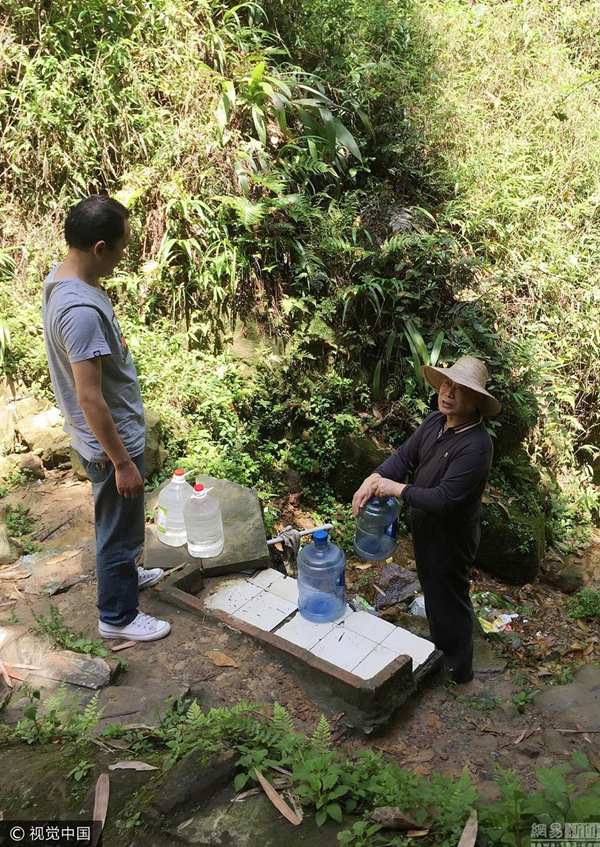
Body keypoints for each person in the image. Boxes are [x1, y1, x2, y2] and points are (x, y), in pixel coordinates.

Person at [42, 195, 171, 642]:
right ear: (99, 248)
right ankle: (117, 617)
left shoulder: (65, 281)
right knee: (116, 528)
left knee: (125, 518)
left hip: (107, 435)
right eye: (121, 247)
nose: (124, 255)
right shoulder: (78, 311)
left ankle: (128, 575)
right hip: (108, 441)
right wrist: (121, 462)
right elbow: (90, 397)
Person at [352, 356, 501, 683]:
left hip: (451, 538)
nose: (449, 392)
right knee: (435, 596)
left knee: (450, 599)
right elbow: (404, 457)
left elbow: (445, 499)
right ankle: (442, 651)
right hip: (425, 528)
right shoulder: (435, 422)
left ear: (476, 400)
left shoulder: (477, 445)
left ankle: (459, 670)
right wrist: (374, 477)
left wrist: (395, 488)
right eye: (447, 383)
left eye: (461, 389)